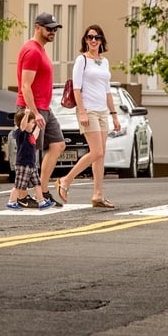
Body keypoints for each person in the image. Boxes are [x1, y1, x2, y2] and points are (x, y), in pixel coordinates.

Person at [54, 25, 120, 208]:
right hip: (88, 110)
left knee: (101, 155)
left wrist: (114, 115)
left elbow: (107, 91)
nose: (93, 40)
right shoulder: (82, 60)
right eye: (90, 37)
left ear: (101, 41)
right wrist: (82, 111)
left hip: (102, 111)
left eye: (97, 37)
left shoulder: (104, 62)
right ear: (85, 40)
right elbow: (76, 88)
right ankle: (65, 180)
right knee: (96, 151)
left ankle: (98, 195)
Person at [15, 12, 66, 208]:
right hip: (31, 109)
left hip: (44, 107)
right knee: (28, 152)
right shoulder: (33, 51)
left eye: (55, 29)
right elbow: (25, 86)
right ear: (37, 27)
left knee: (58, 144)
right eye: (49, 28)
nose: (53, 32)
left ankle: (42, 191)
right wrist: (34, 113)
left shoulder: (40, 49)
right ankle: (21, 195)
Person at [6, 108, 55, 210]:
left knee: (37, 183)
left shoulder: (29, 135)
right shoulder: (20, 133)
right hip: (23, 165)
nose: (33, 125)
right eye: (32, 123)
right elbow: (23, 126)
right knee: (19, 185)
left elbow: (35, 136)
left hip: (31, 164)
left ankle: (41, 202)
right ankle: (11, 201)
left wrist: (39, 126)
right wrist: (26, 114)